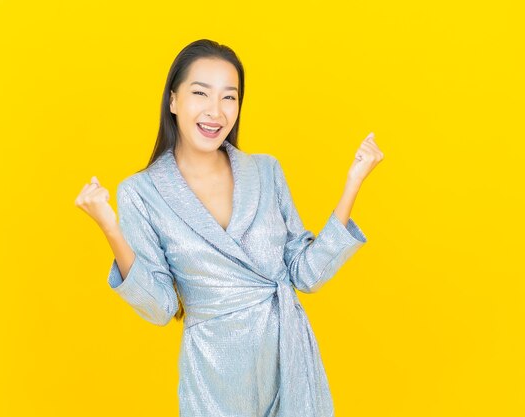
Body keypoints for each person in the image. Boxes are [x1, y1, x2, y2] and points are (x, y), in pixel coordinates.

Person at [75, 39, 384, 417]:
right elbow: (160, 307)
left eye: (229, 97)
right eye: (200, 93)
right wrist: (110, 226)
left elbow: (305, 274)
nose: (215, 112)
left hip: (288, 360)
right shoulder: (142, 192)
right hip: (214, 375)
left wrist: (353, 183)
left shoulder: (266, 171)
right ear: (173, 101)